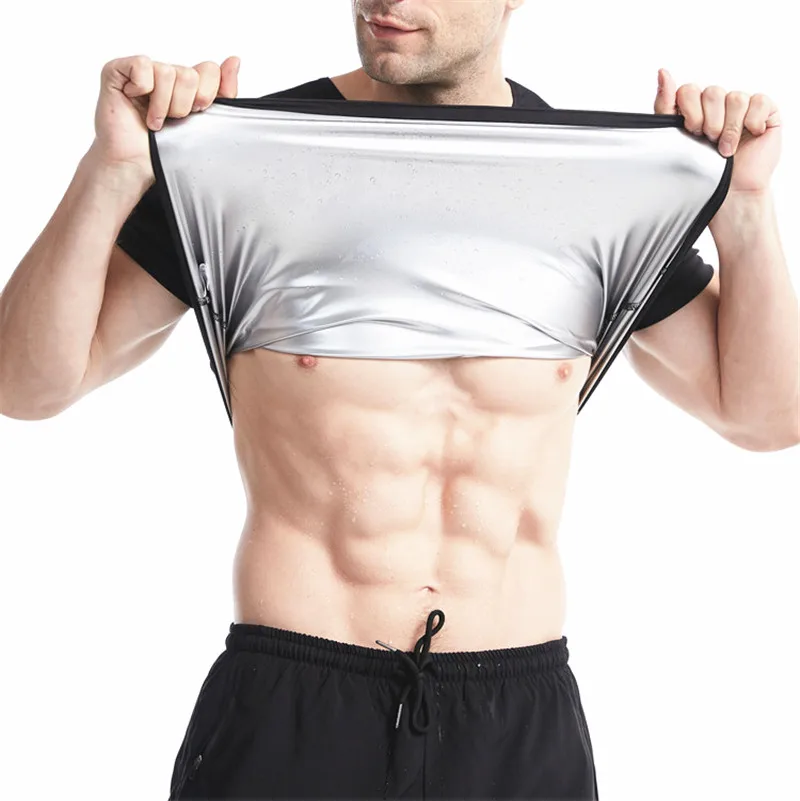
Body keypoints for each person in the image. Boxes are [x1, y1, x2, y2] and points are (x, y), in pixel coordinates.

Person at [1, 1, 796, 798]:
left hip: (515, 722)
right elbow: (26, 385)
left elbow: (765, 416)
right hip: (296, 705)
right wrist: (111, 171)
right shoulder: (248, 157)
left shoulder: (594, 180)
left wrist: (746, 211)